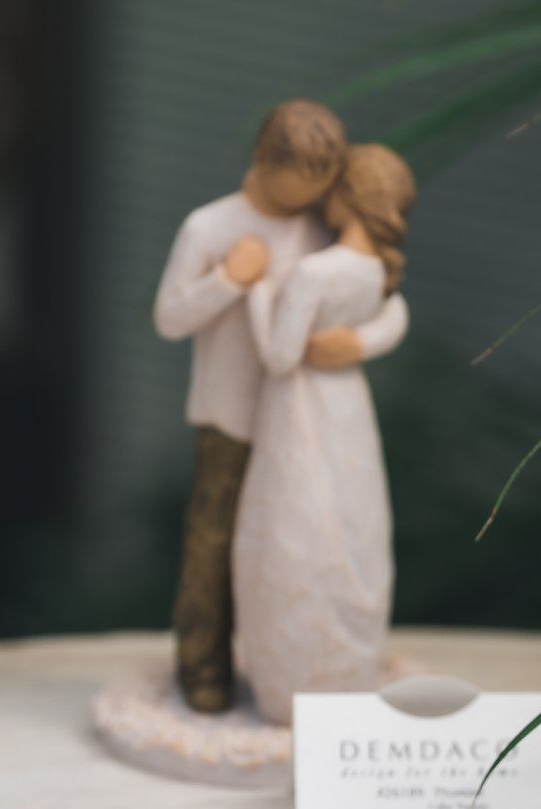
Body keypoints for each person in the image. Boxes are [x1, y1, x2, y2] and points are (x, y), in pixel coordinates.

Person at [152, 100, 366, 713]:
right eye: (294, 190)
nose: (305, 205)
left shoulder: (323, 224)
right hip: (233, 415)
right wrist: (229, 280)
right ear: (263, 161)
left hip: (306, 419)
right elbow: (169, 317)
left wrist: (361, 342)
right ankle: (204, 665)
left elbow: (377, 291)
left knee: (299, 543)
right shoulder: (209, 227)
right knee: (214, 539)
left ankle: (293, 662)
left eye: (317, 191)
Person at [231, 144, 414, 724]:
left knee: (294, 525)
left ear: (345, 196)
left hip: (299, 410)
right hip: (347, 406)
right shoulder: (375, 270)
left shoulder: (314, 273)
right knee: (353, 524)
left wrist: (258, 292)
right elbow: (397, 313)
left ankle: (292, 682)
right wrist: (360, 343)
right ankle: (344, 671)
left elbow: (280, 356)